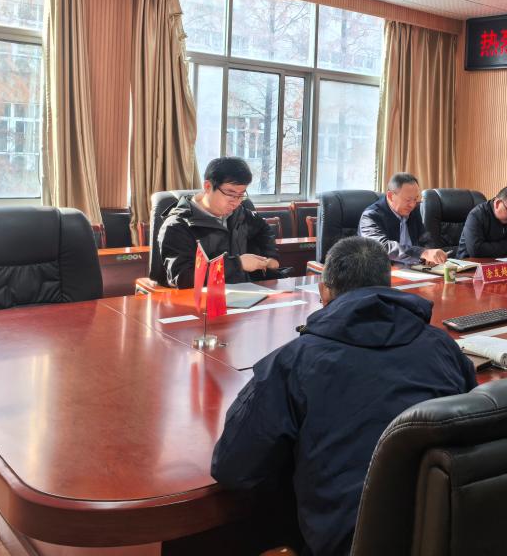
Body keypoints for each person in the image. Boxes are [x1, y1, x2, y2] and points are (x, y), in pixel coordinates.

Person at [211, 237, 476, 556]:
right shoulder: (443, 346)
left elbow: (232, 468)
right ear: (388, 285)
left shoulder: (295, 361)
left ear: (323, 291)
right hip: (446, 533)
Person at [155, 156, 280, 288]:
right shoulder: (177, 225)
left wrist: (271, 256)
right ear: (208, 187)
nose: (236, 202)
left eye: (241, 195)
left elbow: (263, 228)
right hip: (205, 297)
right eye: (230, 194)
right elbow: (184, 277)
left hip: (245, 291)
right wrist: (238, 264)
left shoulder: (238, 213)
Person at [358, 173, 447, 265]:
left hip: (413, 269)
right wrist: (423, 253)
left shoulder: (413, 210)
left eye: (415, 199)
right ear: (390, 196)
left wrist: (431, 253)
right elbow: (382, 247)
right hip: (382, 270)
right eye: (408, 200)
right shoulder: (370, 216)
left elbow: (424, 238)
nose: (412, 205)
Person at [456, 184, 507, 259]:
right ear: (497, 203)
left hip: (499, 262)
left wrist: (490, 249)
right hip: (469, 263)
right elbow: (476, 250)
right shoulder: (476, 215)